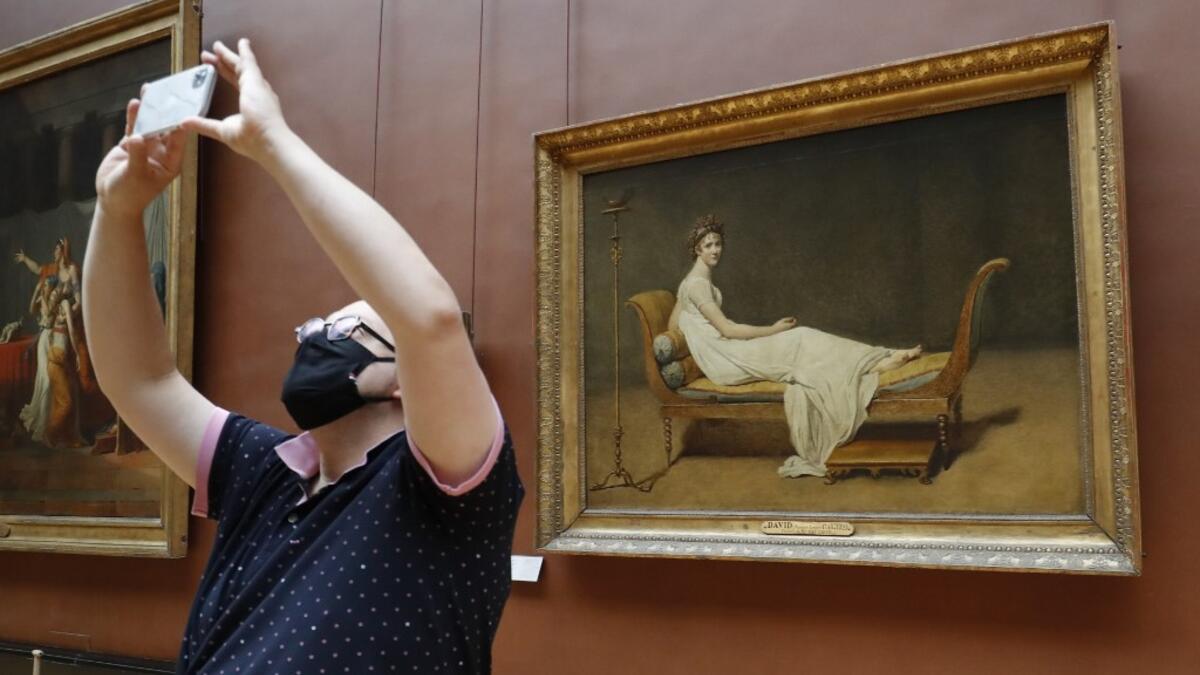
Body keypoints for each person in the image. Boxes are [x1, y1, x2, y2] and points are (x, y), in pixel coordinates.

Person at [83, 39, 522, 674]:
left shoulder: (444, 495)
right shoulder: (265, 471)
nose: (314, 340)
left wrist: (272, 145)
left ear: (403, 381)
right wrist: (117, 212)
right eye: (314, 327)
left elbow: (427, 319)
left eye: (344, 331)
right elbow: (141, 380)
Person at [668, 214, 922, 478]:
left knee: (803, 341)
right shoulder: (697, 285)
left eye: (718, 243)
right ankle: (878, 360)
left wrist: (687, 334)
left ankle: (877, 359)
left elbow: (672, 322)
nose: (715, 250)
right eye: (708, 245)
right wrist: (774, 329)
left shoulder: (689, 283)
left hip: (725, 352)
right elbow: (727, 329)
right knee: (801, 338)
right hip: (728, 359)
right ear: (697, 249)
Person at [15, 238, 87, 448]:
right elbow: (38, 269)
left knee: (68, 388)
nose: (55, 253)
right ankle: (49, 430)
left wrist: (66, 315)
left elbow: (79, 301)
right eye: (55, 249)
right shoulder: (51, 274)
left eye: (58, 249)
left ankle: (68, 434)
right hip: (53, 336)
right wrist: (25, 259)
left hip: (62, 333)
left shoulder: (71, 273)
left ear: (64, 251)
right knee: (49, 381)